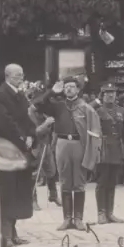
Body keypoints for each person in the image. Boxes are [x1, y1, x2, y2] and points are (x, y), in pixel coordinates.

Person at [32, 77, 101, 231]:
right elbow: (37, 105)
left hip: (79, 144)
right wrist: (51, 91)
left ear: (78, 90)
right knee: (64, 181)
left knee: (79, 182)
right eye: (66, 87)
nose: (69, 89)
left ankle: (78, 219)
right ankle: (66, 219)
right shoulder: (58, 107)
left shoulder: (85, 107)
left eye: (72, 87)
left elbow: (95, 132)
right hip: (62, 144)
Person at [0, 64, 36, 247]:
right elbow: (4, 122)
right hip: (4, 150)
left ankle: (13, 234)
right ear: (7, 76)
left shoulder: (21, 96)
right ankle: (4, 236)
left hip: (20, 150)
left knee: (17, 191)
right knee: (5, 192)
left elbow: (27, 119)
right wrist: (23, 139)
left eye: (22, 75)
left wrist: (31, 134)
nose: (21, 78)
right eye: (17, 75)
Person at [92, 83, 124, 224]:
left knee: (112, 182)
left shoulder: (121, 111)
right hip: (102, 149)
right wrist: (96, 102)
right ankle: (101, 213)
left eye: (112, 93)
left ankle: (110, 213)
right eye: (107, 93)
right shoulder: (97, 109)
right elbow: (86, 110)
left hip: (116, 150)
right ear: (102, 94)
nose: (110, 95)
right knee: (102, 182)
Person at [28, 95, 61, 208]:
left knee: (51, 171)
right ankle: (32, 200)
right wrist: (46, 123)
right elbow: (34, 131)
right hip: (35, 146)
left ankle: (53, 195)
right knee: (33, 174)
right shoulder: (30, 113)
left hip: (46, 144)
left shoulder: (44, 112)